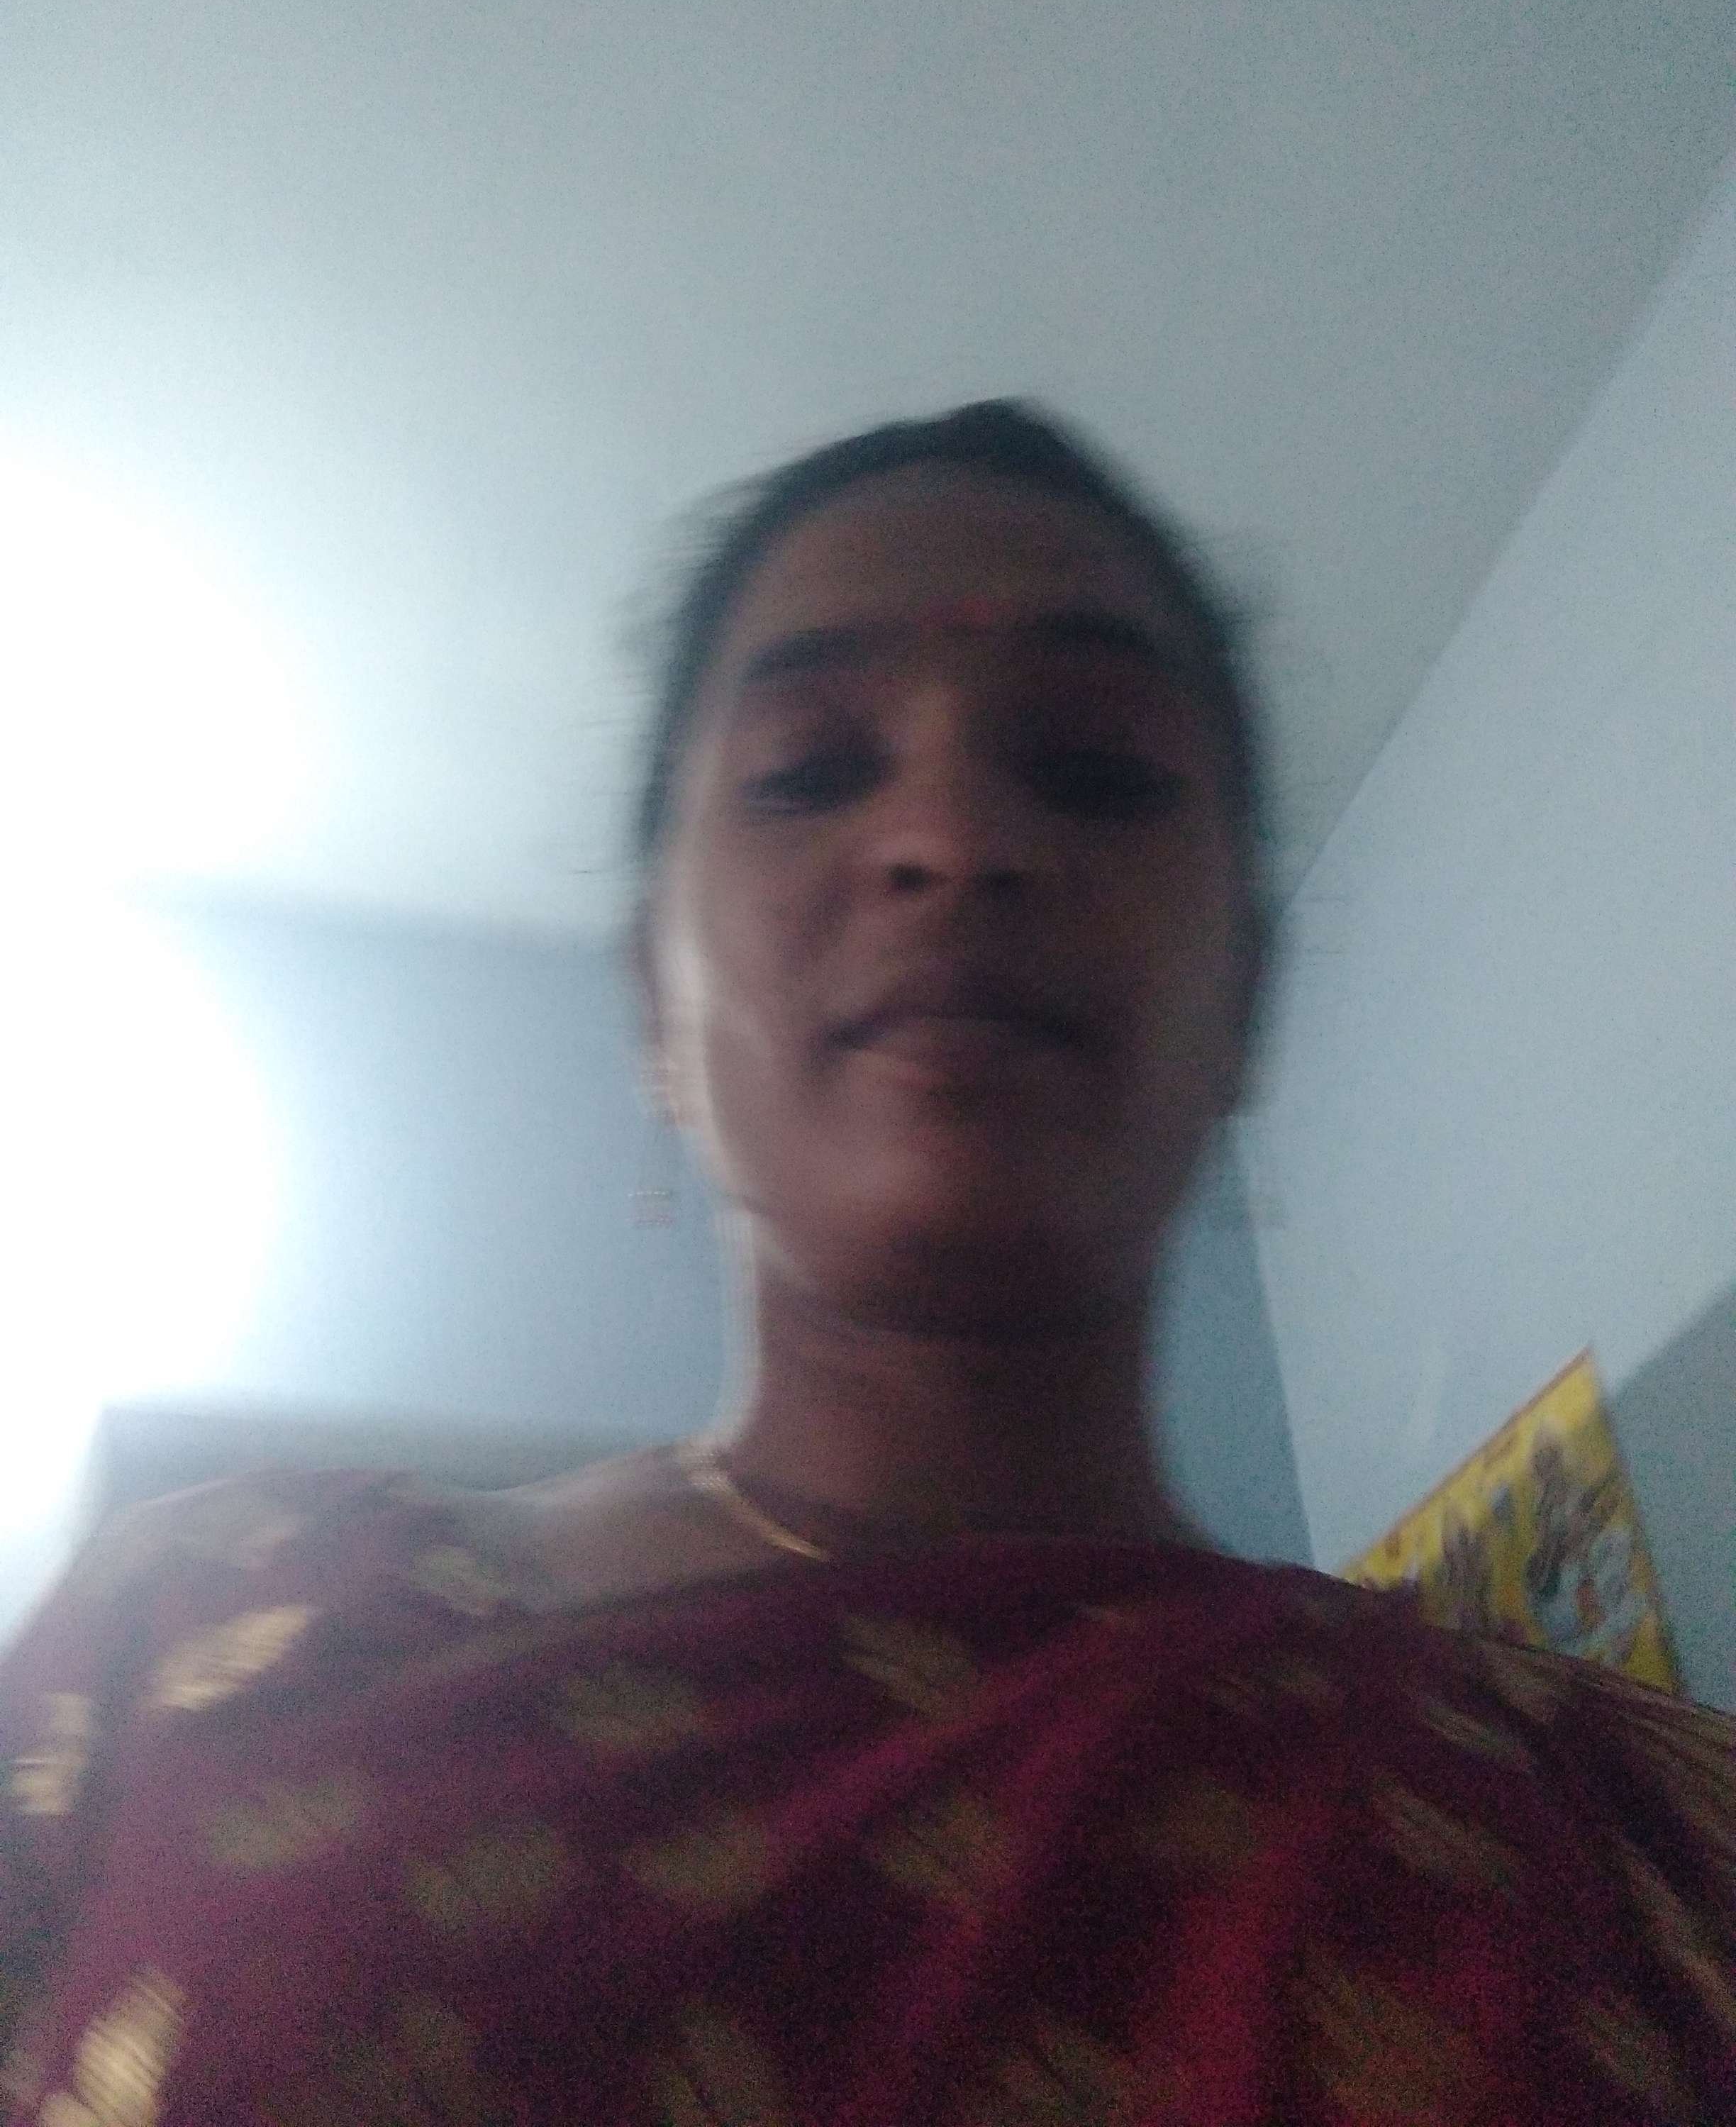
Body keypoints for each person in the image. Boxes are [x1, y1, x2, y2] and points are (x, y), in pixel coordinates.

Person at [1, 401, 1730, 2126]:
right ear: (653, 1002)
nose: (953, 842)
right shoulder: (209, 1629)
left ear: (1249, 998)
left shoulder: (1617, 1838)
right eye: (810, 770)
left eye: (1097, 769)